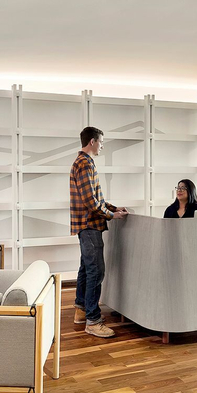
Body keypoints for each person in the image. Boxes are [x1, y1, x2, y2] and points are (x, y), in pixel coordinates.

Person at [70, 126, 128, 338]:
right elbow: (91, 203)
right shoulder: (84, 164)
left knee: (86, 269)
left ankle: (81, 310)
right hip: (90, 225)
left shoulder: (84, 163)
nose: (102, 146)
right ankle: (93, 321)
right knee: (96, 271)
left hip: (87, 225)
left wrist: (114, 208)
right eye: (101, 142)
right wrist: (111, 216)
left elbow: (97, 199)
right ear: (92, 141)